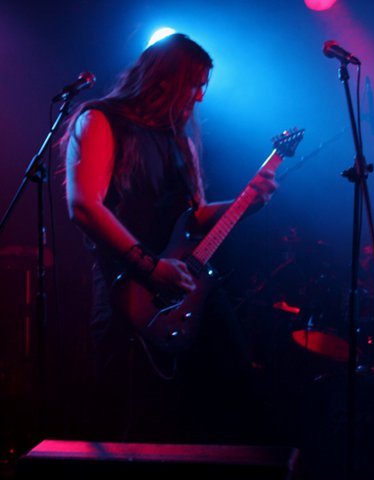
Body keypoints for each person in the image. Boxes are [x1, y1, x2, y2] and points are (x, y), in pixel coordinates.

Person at [62, 33, 279, 444]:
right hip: (127, 289)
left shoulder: (180, 139)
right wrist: (149, 266)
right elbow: (85, 206)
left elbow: (195, 215)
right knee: (129, 415)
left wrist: (245, 204)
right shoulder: (100, 120)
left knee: (234, 392)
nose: (200, 97)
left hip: (185, 287)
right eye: (194, 84)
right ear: (164, 80)